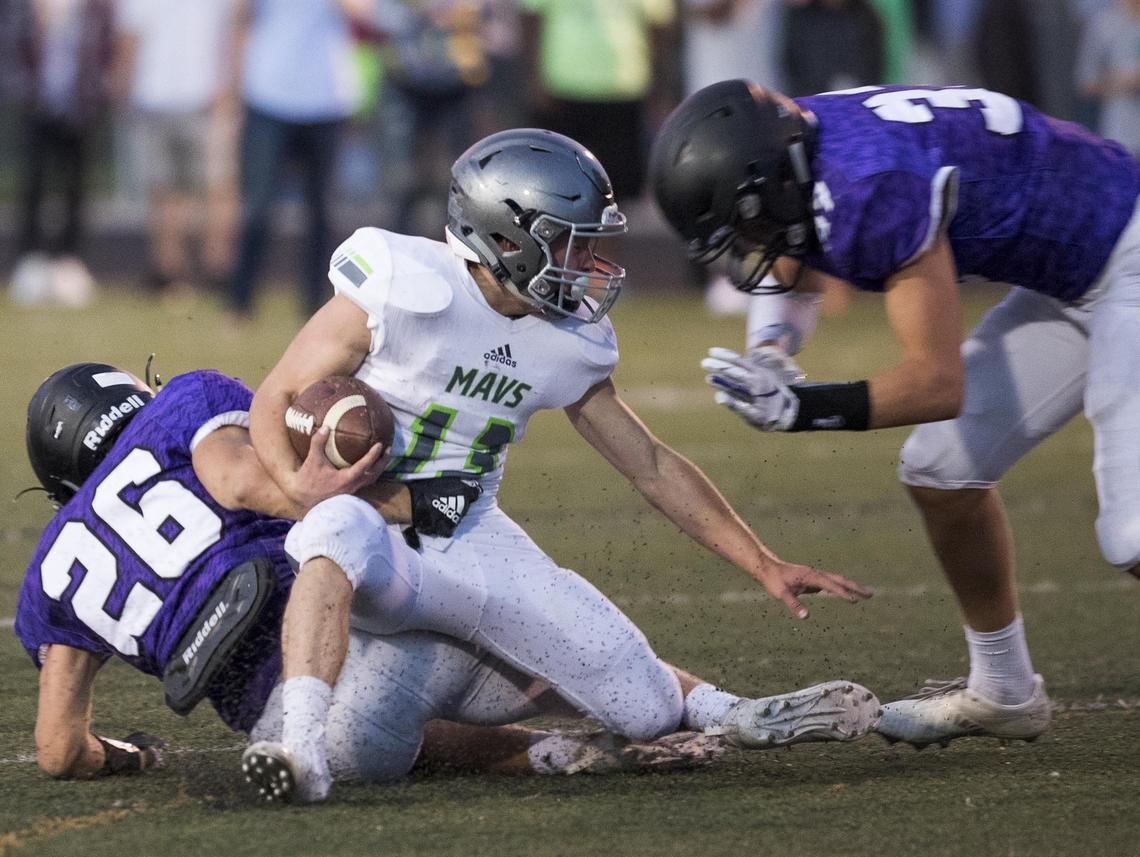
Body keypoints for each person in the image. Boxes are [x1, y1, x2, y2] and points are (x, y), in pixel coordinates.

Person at [247, 127, 880, 800]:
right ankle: (302, 751)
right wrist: (297, 483)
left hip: (471, 540)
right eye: (570, 242)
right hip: (381, 544)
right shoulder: (403, 286)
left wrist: (762, 561)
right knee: (334, 523)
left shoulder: (568, 339)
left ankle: (711, 707)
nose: (588, 264)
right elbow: (274, 394)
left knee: (646, 711)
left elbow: (651, 465)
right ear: (507, 236)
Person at [17, 362, 870, 802]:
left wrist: (126, 757)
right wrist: (390, 495)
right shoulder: (182, 406)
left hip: (315, 728)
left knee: (394, 740)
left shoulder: (51, 573)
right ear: (131, 399)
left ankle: (544, 757)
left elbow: (59, 749)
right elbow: (245, 482)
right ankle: (712, 706)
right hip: (362, 632)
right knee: (528, 641)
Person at [648, 78, 1140, 746]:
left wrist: (802, 407)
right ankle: (1005, 689)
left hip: (1127, 249)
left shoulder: (871, 183)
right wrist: (769, 350)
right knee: (941, 470)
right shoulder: (801, 141)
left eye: (748, 221)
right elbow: (797, 238)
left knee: (1132, 534)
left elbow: (938, 384)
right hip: (1076, 274)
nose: (752, 241)